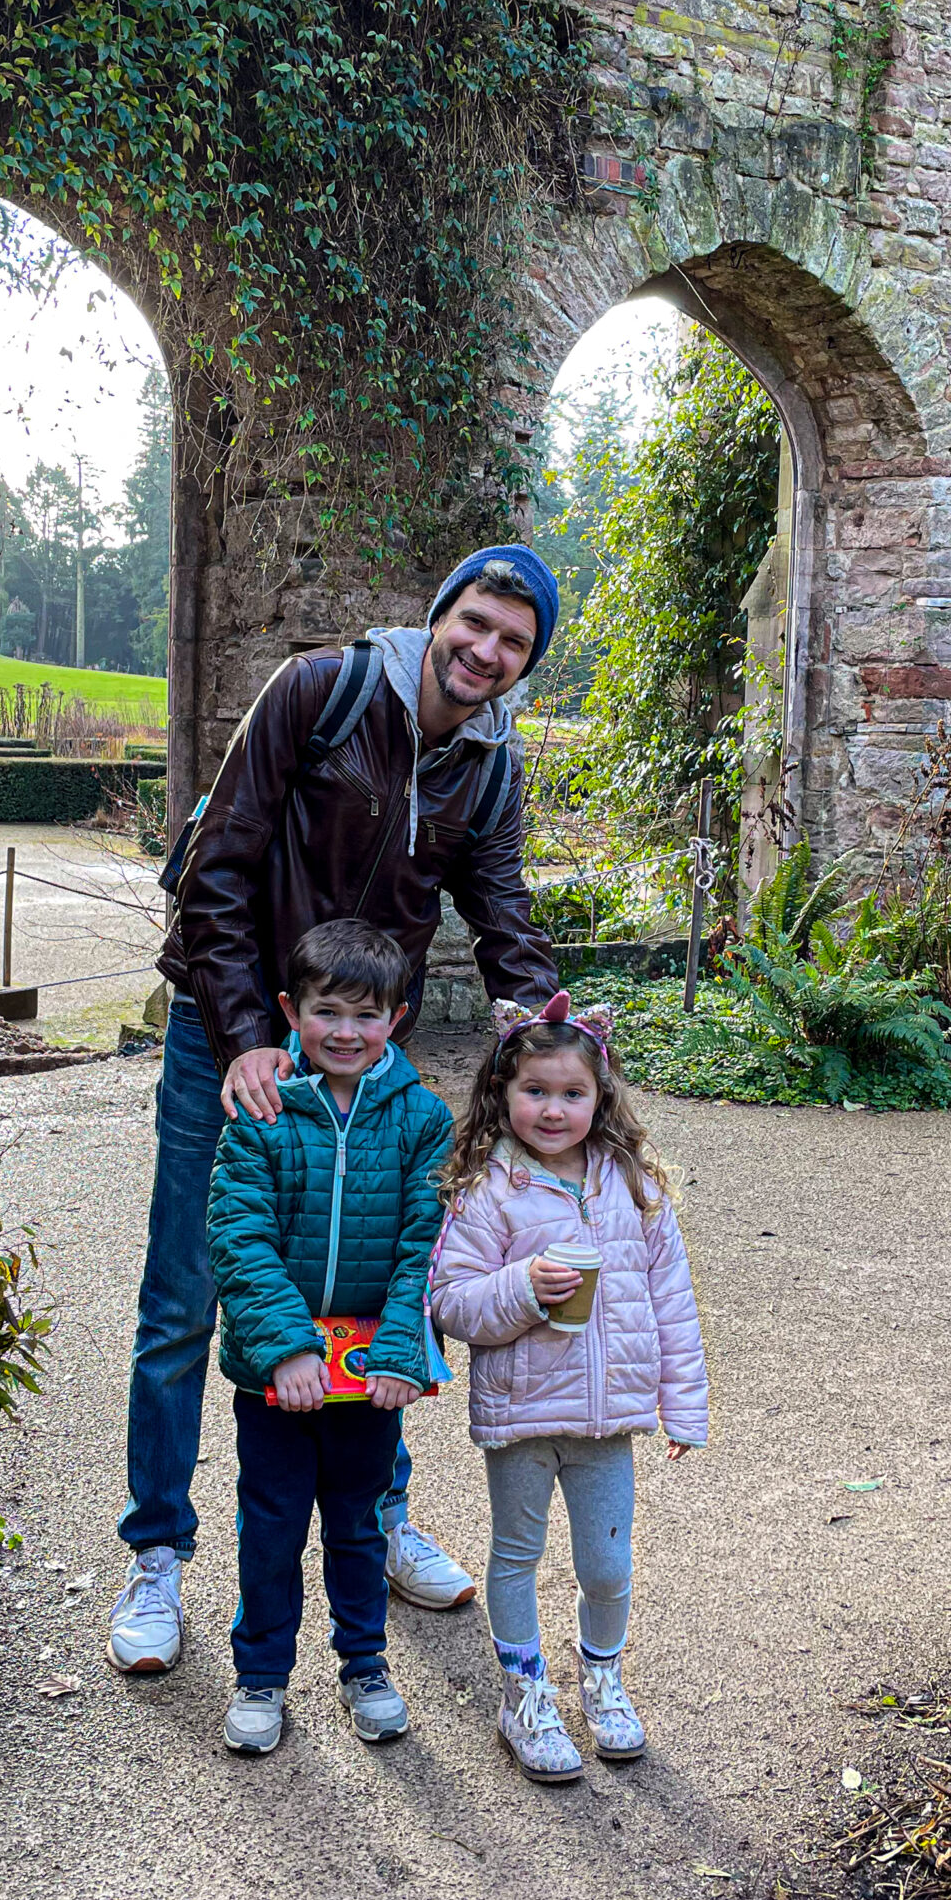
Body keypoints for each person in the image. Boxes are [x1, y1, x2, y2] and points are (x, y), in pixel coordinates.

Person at [108, 543, 563, 1674]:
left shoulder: (492, 772)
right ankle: (157, 1554)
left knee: (366, 1292)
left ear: (525, 662)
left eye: (513, 642)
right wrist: (247, 1037)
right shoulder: (320, 689)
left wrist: (550, 1031)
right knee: (186, 1297)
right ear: (440, 615)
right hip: (238, 1033)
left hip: (362, 1059)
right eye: (475, 623)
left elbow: (501, 914)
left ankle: (380, 1520)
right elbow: (220, 869)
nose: (486, 652)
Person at [426, 990, 709, 1782]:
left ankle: (603, 1680)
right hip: (521, 1416)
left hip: (608, 1421)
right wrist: (521, 1288)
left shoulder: (634, 1188)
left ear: (601, 1095)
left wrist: (682, 1404)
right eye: (535, 1091)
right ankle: (523, 1693)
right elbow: (449, 1301)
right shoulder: (489, 1189)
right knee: (516, 1555)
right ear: (502, 1092)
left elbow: (672, 1302)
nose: (553, 1110)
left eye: (572, 1093)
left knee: (607, 1565)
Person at [205, 920, 452, 1755]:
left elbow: (428, 1244)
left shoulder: (421, 1120)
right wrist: (285, 1346)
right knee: (270, 1527)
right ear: (290, 1009)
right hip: (278, 1378)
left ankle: (365, 1666)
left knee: (358, 1526)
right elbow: (239, 1234)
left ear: (398, 1017)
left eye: (366, 1016)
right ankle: (261, 1678)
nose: (345, 1033)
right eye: (326, 1013)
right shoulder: (262, 1110)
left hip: (370, 1380)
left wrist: (399, 1352)